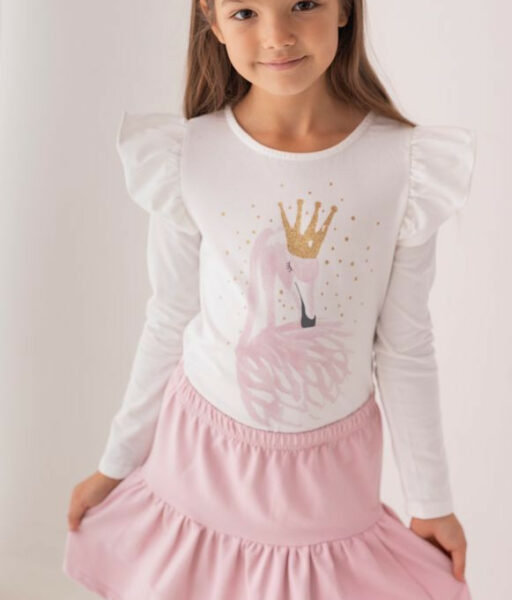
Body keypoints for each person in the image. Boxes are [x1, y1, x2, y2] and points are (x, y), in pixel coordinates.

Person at [63, 0, 477, 598]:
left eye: (302, 4)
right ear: (211, 19)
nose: (277, 35)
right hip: (199, 463)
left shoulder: (404, 166)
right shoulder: (190, 156)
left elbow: (405, 347)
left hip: (327, 484)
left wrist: (430, 501)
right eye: (246, 12)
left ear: (344, 8)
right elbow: (170, 318)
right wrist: (117, 463)